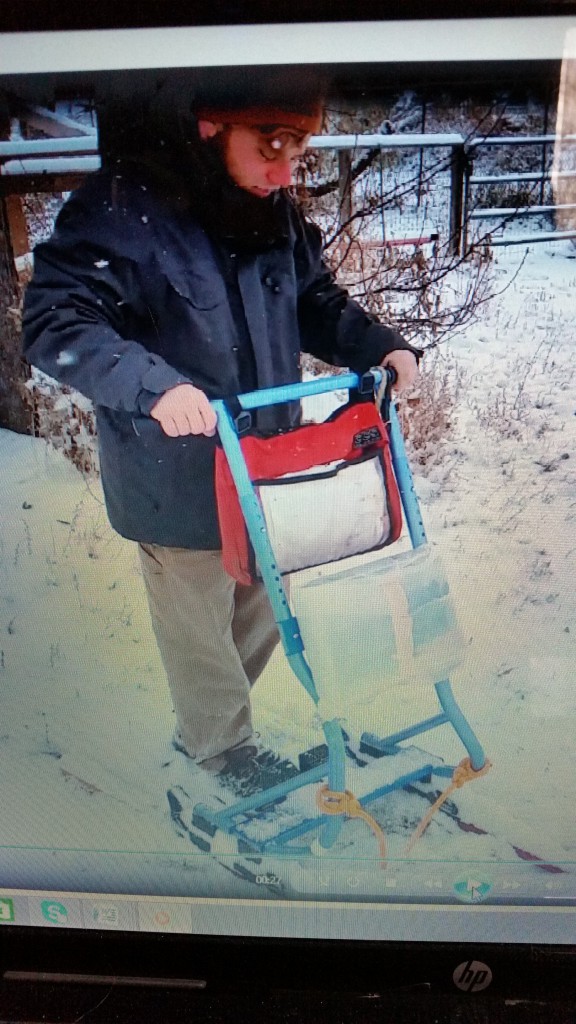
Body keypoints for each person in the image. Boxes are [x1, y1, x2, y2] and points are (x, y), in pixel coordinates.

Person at [22, 81, 420, 794]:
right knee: (199, 624)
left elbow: (313, 301)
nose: (286, 171)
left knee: (263, 603)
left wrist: (378, 346)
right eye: (272, 147)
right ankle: (218, 755)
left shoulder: (274, 213)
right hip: (174, 472)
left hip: (265, 464)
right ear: (211, 128)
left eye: (297, 150)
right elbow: (58, 322)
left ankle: (208, 726)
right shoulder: (122, 211)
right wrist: (155, 386)